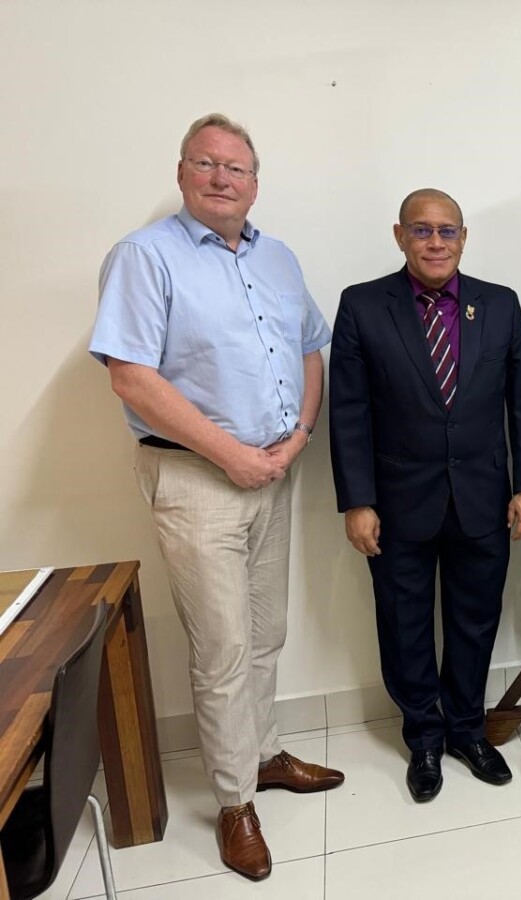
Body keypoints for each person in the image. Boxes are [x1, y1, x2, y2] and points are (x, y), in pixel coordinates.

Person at [89, 113, 344, 882]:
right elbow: (131, 376)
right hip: (198, 480)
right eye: (206, 163)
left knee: (266, 631)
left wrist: (298, 435)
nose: (222, 178)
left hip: (273, 471)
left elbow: (311, 348)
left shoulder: (279, 258)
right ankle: (235, 803)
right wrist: (230, 454)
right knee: (224, 646)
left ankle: (261, 754)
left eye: (237, 167)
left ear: (255, 183)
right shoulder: (145, 256)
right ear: (182, 173)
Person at [328, 189, 521, 802]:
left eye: (447, 231)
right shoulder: (363, 305)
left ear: (463, 238)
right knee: (405, 625)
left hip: (483, 497)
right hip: (397, 503)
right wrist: (357, 501)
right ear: (399, 236)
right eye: (421, 230)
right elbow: (348, 412)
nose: (435, 242)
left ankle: (467, 729)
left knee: (476, 621)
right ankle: (424, 736)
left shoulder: (498, 305)